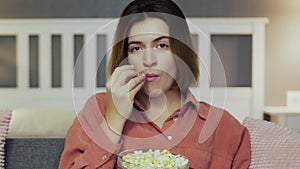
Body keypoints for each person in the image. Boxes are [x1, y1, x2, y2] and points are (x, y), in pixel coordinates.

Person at [59, 0, 251, 168]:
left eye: (161, 45)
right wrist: (114, 120)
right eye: (136, 48)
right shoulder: (97, 110)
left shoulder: (224, 127)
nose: (149, 60)